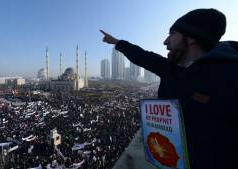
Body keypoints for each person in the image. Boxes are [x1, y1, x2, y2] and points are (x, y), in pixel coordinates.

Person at [101, 8, 238, 169]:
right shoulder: (170, 69)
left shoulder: (230, 74)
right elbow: (143, 56)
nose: (165, 42)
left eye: (172, 34)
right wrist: (117, 42)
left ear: (192, 38)